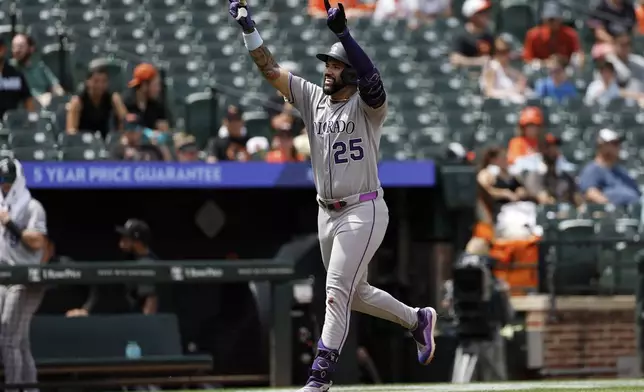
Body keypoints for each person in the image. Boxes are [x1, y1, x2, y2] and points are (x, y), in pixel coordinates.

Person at [229, 1, 437, 390]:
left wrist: (344, 34)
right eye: (327, 64)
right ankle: (417, 319)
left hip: (364, 208)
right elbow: (270, 70)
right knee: (355, 294)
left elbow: (374, 79)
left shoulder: (369, 107)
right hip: (328, 213)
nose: (328, 69)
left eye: (336, 65)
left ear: (352, 73)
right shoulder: (312, 99)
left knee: (335, 291)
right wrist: (247, 28)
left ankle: (319, 378)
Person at [0, 158, 47, 390]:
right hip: (6, 278)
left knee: (8, 338)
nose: (5, 186)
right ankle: (29, 388)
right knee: (20, 342)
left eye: (9, 181)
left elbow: (38, 241)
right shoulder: (2, 206)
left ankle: (13, 387)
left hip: (26, 280)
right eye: (2, 181)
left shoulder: (32, 207)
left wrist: (9, 224)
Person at [66, 219, 159, 316]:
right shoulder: (132, 259)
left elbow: (151, 301)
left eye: (126, 237)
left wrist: (146, 327)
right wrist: (86, 310)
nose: (121, 240)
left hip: (145, 323)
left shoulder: (146, 264)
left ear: (137, 242)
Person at [578, 128, 641, 206]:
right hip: (616, 214)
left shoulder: (622, 171)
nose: (618, 147)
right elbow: (591, 194)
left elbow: (636, 192)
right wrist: (611, 208)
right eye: (614, 143)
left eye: (618, 143)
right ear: (601, 145)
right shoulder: (592, 170)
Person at [66, 66, 128, 139]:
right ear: (88, 82)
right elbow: (71, 131)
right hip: (84, 142)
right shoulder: (78, 101)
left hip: (105, 142)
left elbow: (125, 120)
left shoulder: (112, 98)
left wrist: (120, 136)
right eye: (96, 81)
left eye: (104, 81)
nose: (100, 85)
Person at [523, 134, 582, 205]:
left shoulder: (564, 176)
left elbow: (576, 197)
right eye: (549, 147)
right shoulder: (535, 175)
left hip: (566, 213)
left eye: (555, 147)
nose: (553, 151)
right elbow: (543, 198)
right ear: (541, 150)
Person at [10, 33, 65, 108]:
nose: (16, 50)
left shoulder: (39, 67)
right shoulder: (8, 68)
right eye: (14, 47)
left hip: (43, 107)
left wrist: (57, 96)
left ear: (31, 49)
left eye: (20, 46)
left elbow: (56, 87)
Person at [522, 2, 584, 68]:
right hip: (541, 72)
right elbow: (527, 59)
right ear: (544, 19)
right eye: (550, 20)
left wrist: (563, 61)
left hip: (564, 71)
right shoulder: (533, 35)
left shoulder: (570, 34)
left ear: (561, 19)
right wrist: (545, 63)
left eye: (555, 19)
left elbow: (578, 55)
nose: (553, 22)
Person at [480, 36, 528, 103]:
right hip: (499, 105)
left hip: (514, 102)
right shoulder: (491, 66)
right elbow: (489, 92)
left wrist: (520, 86)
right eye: (498, 51)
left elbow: (522, 81)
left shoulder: (509, 68)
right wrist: (510, 92)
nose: (502, 55)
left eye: (505, 51)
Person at [124, 63, 170, 131]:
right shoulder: (126, 105)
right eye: (156, 85)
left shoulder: (158, 107)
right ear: (144, 85)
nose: (159, 89)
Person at [450, 0, 494, 68]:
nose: (487, 15)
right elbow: (455, 59)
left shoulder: (488, 35)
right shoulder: (461, 35)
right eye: (482, 13)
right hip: (466, 75)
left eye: (487, 12)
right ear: (472, 16)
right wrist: (477, 61)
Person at [0, 38, 35, 119]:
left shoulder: (15, 74)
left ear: (3, 49)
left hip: (12, 124)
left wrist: (33, 119)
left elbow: (28, 100)